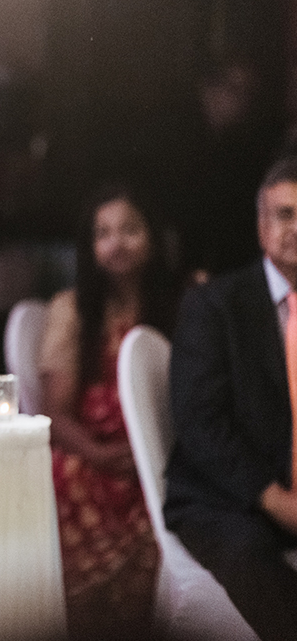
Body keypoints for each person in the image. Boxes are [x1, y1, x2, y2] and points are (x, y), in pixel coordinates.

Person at [164, 156, 297, 641]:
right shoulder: (215, 305)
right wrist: (277, 500)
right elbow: (200, 423)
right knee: (252, 553)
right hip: (229, 496)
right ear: (262, 227)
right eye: (285, 214)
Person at [38, 186, 179, 638]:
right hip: (92, 455)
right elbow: (54, 414)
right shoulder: (73, 308)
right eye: (103, 233)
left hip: (163, 455)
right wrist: (99, 454)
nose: (116, 243)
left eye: (130, 230)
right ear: (90, 246)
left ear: (153, 237)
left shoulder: (184, 302)